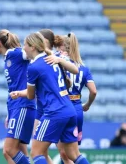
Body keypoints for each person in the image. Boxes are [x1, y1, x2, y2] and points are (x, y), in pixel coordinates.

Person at [10, 32, 90, 164]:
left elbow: (31, 95)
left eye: (25, 45)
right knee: (74, 154)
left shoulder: (33, 67)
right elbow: (75, 69)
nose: (23, 48)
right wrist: (19, 93)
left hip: (54, 112)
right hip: (69, 110)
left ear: (33, 47)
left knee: (36, 153)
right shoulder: (53, 58)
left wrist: (20, 93)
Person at [52, 33, 97, 164]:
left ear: (61, 47)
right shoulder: (83, 68)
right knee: (70, 153)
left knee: (66, 154)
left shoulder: (57, 62)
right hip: (77, 109)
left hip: (62, 107)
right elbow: (93, 91)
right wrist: (87, 104)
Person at [0, 29, 35, 164]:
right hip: (15, 106)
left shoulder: (15, 53)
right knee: (14, 150)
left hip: (22, 105)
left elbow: (30, 54)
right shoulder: (8, 58)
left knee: (9, 150)